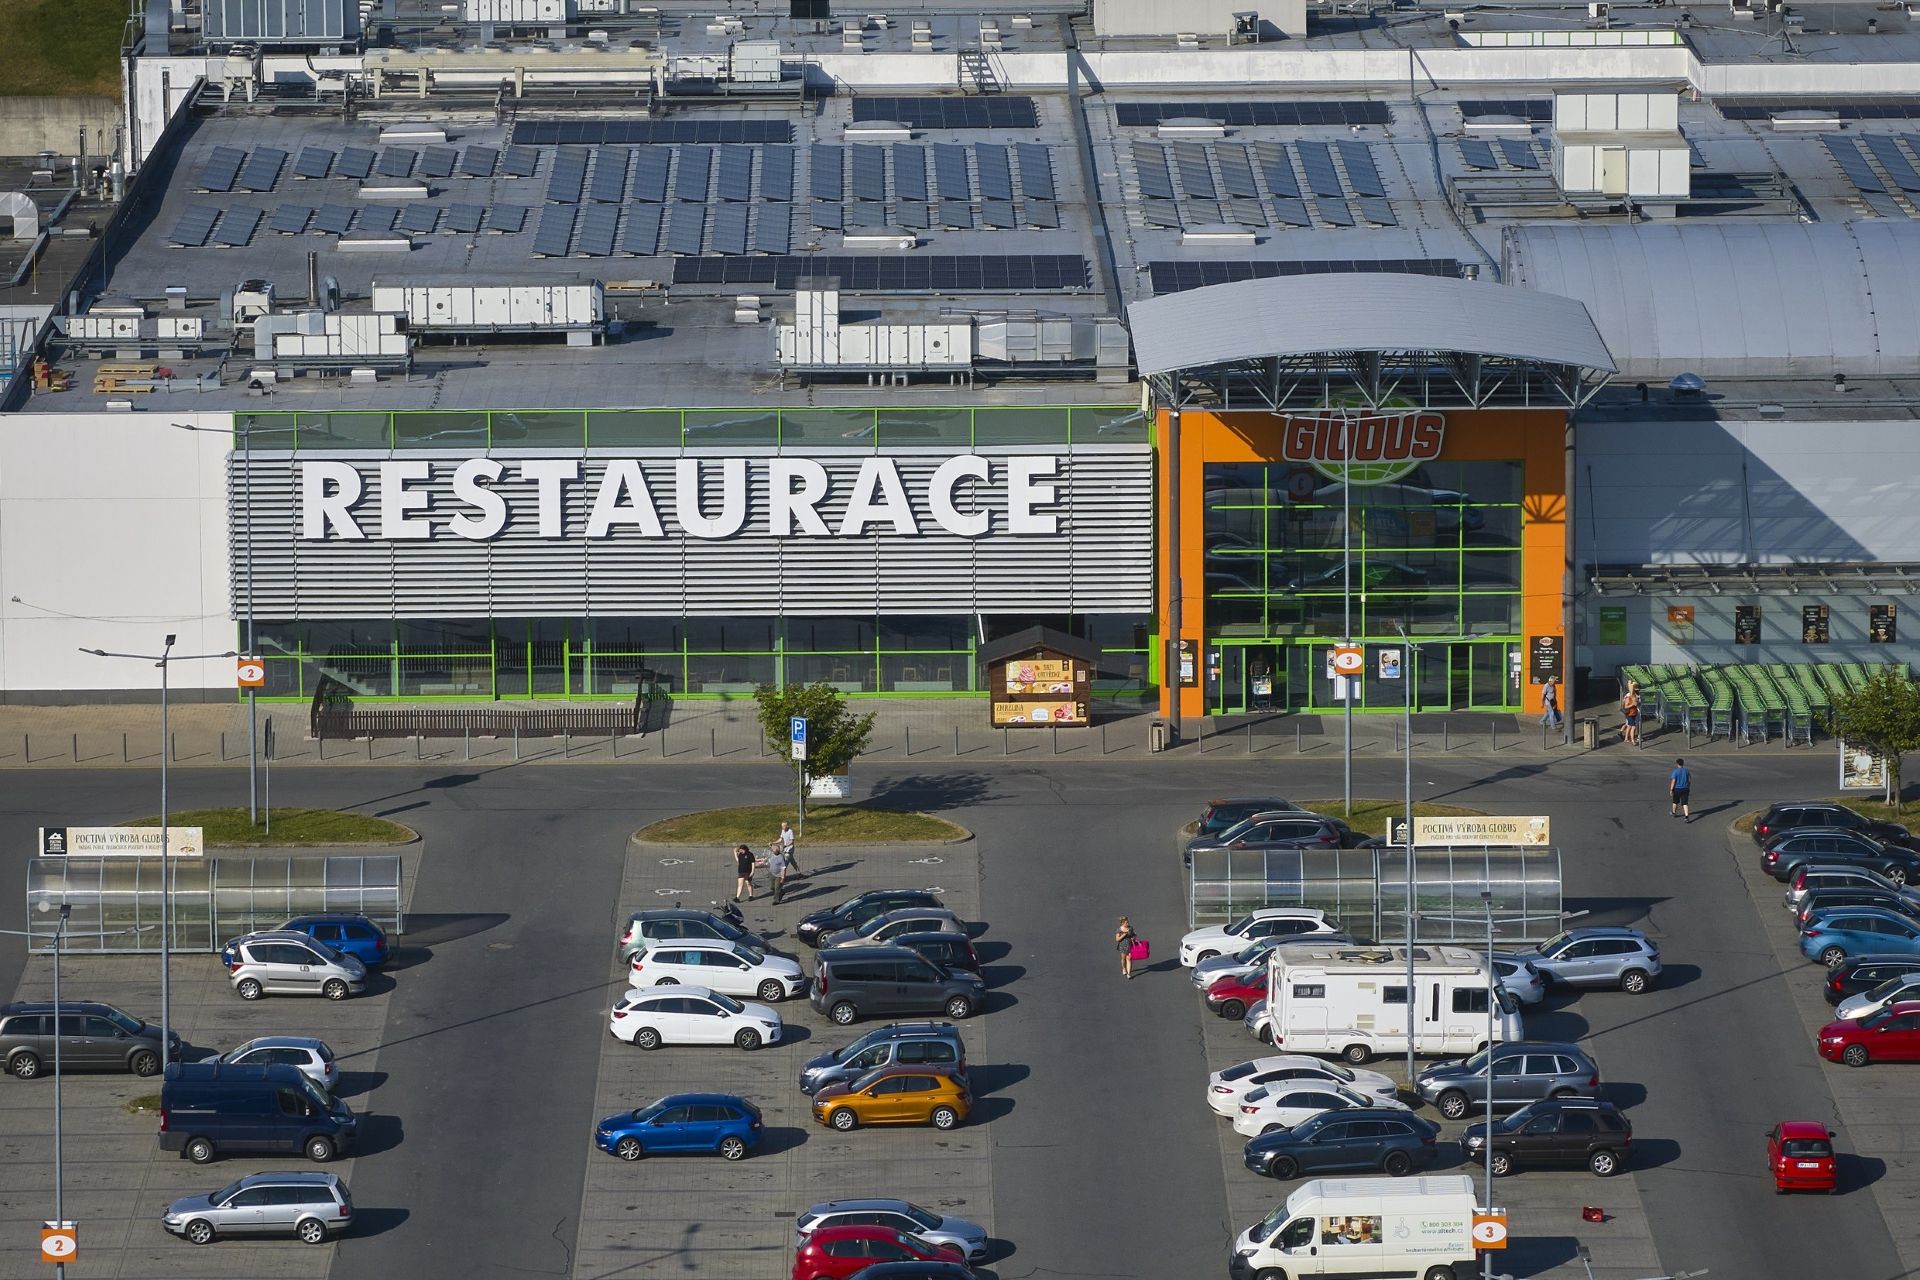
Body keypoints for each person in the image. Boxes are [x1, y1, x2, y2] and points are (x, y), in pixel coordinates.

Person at [1621, 681, 1642, 748]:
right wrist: (1633, 704)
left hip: (1634, 712)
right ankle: (1633, 740)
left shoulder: (1635, 695)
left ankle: (1626, 738)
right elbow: (1626, 705)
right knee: (1633, 726)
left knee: (1629, 726)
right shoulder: (1629, 696)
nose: (1638, 690)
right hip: (1630, 713)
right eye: (1636, 688)